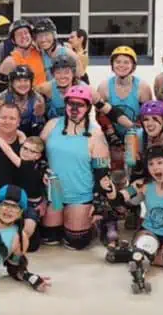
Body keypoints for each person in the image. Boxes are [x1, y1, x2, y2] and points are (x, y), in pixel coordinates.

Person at [106, 147, 163, 292]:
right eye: (151, 164)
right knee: (147, 243)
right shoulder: (143, 184)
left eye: (159, 163)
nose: (155, 167)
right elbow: (121, 198)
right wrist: (111, 192)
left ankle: (139, 255)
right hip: (150, 232)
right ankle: (149, 254)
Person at [40, 84, 116, 249]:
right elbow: (37, 154)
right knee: (49, 237)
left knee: (76, 241)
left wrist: (98, 204)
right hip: (55, 193)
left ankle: (100, 223)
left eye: (80, 105)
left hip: (80, 194)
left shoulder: (95, 134)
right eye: (71, 104)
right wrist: (42, 170)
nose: (74, 109)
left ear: (88, 107)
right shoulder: (52, 125)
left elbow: (101, 172)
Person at [124, 100, 163, 180]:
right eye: (146, 119)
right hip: (145, 175)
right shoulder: (135, 137)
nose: (149, 123)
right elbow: (131, 173)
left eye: (155, 119)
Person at [0, 65, 47, 137]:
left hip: (30, 135)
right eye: (18, 81)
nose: (23, 84)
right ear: (12, 83)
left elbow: (40, 127)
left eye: (26, 80)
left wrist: (38, 115)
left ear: (31, 82)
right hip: (6, 134)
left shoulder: (38, 99)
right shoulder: (2, 99)